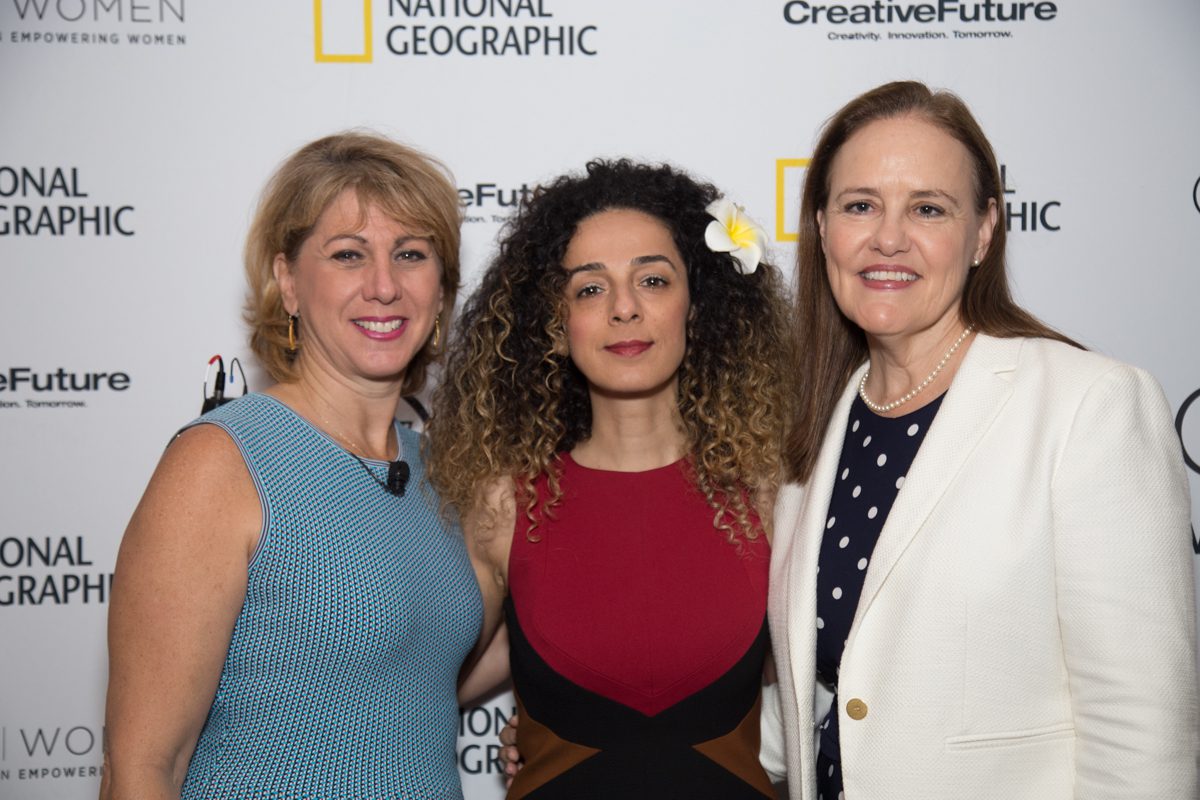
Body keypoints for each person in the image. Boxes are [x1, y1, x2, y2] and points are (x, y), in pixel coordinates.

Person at [767, 80, 1198, 800]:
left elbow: (1141, 730)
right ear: (821, 226)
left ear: (985, 231)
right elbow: (815, 695)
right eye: (860, 205)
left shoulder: (1087, 405)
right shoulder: (815, 427)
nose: (888, 238)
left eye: (928, 208)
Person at [100, 132, 483, 799]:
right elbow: (140, 769)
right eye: (348, 254)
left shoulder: (436, 472)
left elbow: (416, 677)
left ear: (442, 288)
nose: (384, 285)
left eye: (411, 254)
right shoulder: (222, 462)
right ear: (288, 281)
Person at [428, 159, 793, 798]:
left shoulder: (770, 495)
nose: (624, 309)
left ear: (698, 306)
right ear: (554, 322)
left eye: (652, 280)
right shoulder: (505, 504)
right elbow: (416, 685)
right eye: (590, 289)